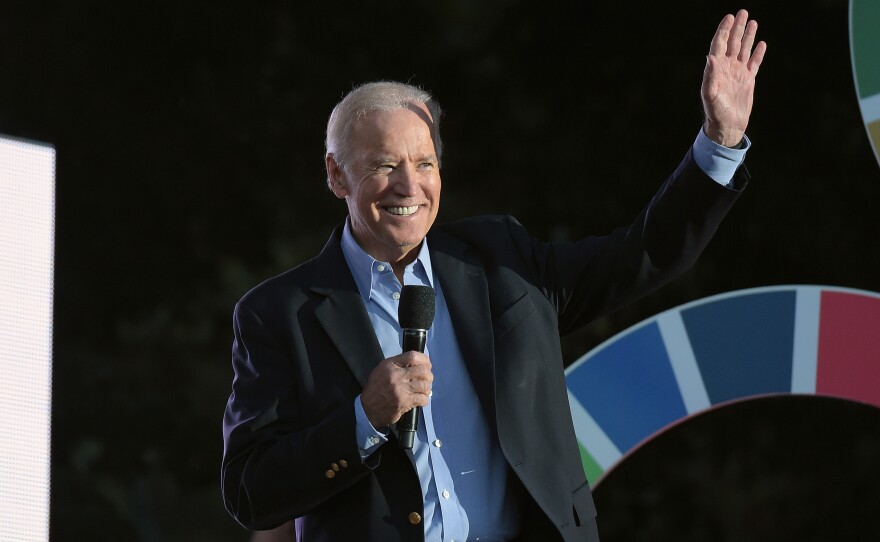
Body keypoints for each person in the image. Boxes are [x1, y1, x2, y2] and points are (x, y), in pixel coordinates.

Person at [222, 9, 766, 541]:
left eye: (425, 162)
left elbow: (644, 254)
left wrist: (718, 144)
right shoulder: (279, 313)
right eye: (384, 165)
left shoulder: (501, 261)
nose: (409, 186)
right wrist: (363, 419)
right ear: (336, 174)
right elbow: (250, 492)